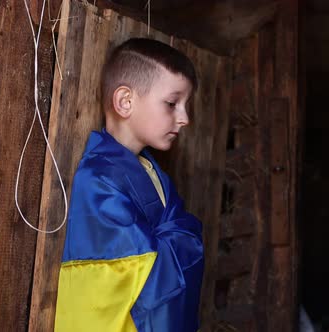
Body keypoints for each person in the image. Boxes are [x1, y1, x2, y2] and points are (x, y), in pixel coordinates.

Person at [54, 38, 204, 332]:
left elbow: (176, 239)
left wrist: (174, 241)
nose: (184, 118)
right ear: (125, 102)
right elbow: (124, 275)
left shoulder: (150, 170)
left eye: (186, 106)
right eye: (172, 104)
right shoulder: (96, 179)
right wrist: (180, 241)